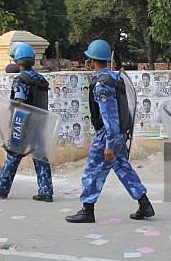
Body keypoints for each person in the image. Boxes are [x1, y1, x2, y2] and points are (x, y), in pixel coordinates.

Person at [65, 40, 154, 223]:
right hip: (120, 132)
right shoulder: (115, 78)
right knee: (122, 166)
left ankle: (87, 210)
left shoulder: (102, 84)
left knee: (93, 170)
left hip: (109, 134)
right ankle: (144, 203)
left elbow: (109, 116)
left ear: (92, 61)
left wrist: (109, 144)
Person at [0, 43, 54, 202]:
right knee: (40, 157)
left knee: (14, 154)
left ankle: (2, 187)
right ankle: (46, 191)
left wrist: (12, 121)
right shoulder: (41, 79)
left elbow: (19, 102)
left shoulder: (21, 79)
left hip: (24, 123)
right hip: (40, 122)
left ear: (17, 61)